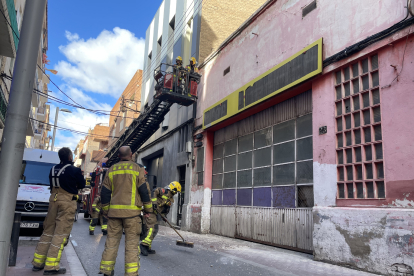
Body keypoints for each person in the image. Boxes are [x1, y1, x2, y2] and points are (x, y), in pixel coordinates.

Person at [99, 146, 153, 276]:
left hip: (114, 215)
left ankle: (106, 270)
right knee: (132, 246)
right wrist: (148, 209)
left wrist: (106, 210)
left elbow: (105, 192)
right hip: (132, 215)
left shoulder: (111, 169)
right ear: (132, 155)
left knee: (111, 242)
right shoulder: (137, 168)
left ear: (119, 156)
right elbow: (144, 190)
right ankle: (131, 273)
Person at [32, 147, 85, 275]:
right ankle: (51, 267)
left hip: (53, 200)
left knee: (48, 231)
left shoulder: (53, 169)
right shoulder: (74, 170)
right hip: (66, 202)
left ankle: (38, 263)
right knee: (60, 233)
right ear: (70, 157)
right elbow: (82, 185)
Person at [140, 181, 181, 256]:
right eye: (176, 191)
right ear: (173, 189)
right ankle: (143, 245)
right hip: (151, 210)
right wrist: (154, 203)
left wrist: (163, 217)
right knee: (152, 228)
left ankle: (147, 247)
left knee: (154, 229)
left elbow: (164, 209)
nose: (176, 193)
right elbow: (154, 191)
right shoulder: (163, 191)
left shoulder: (170, 198)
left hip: (155, 213)